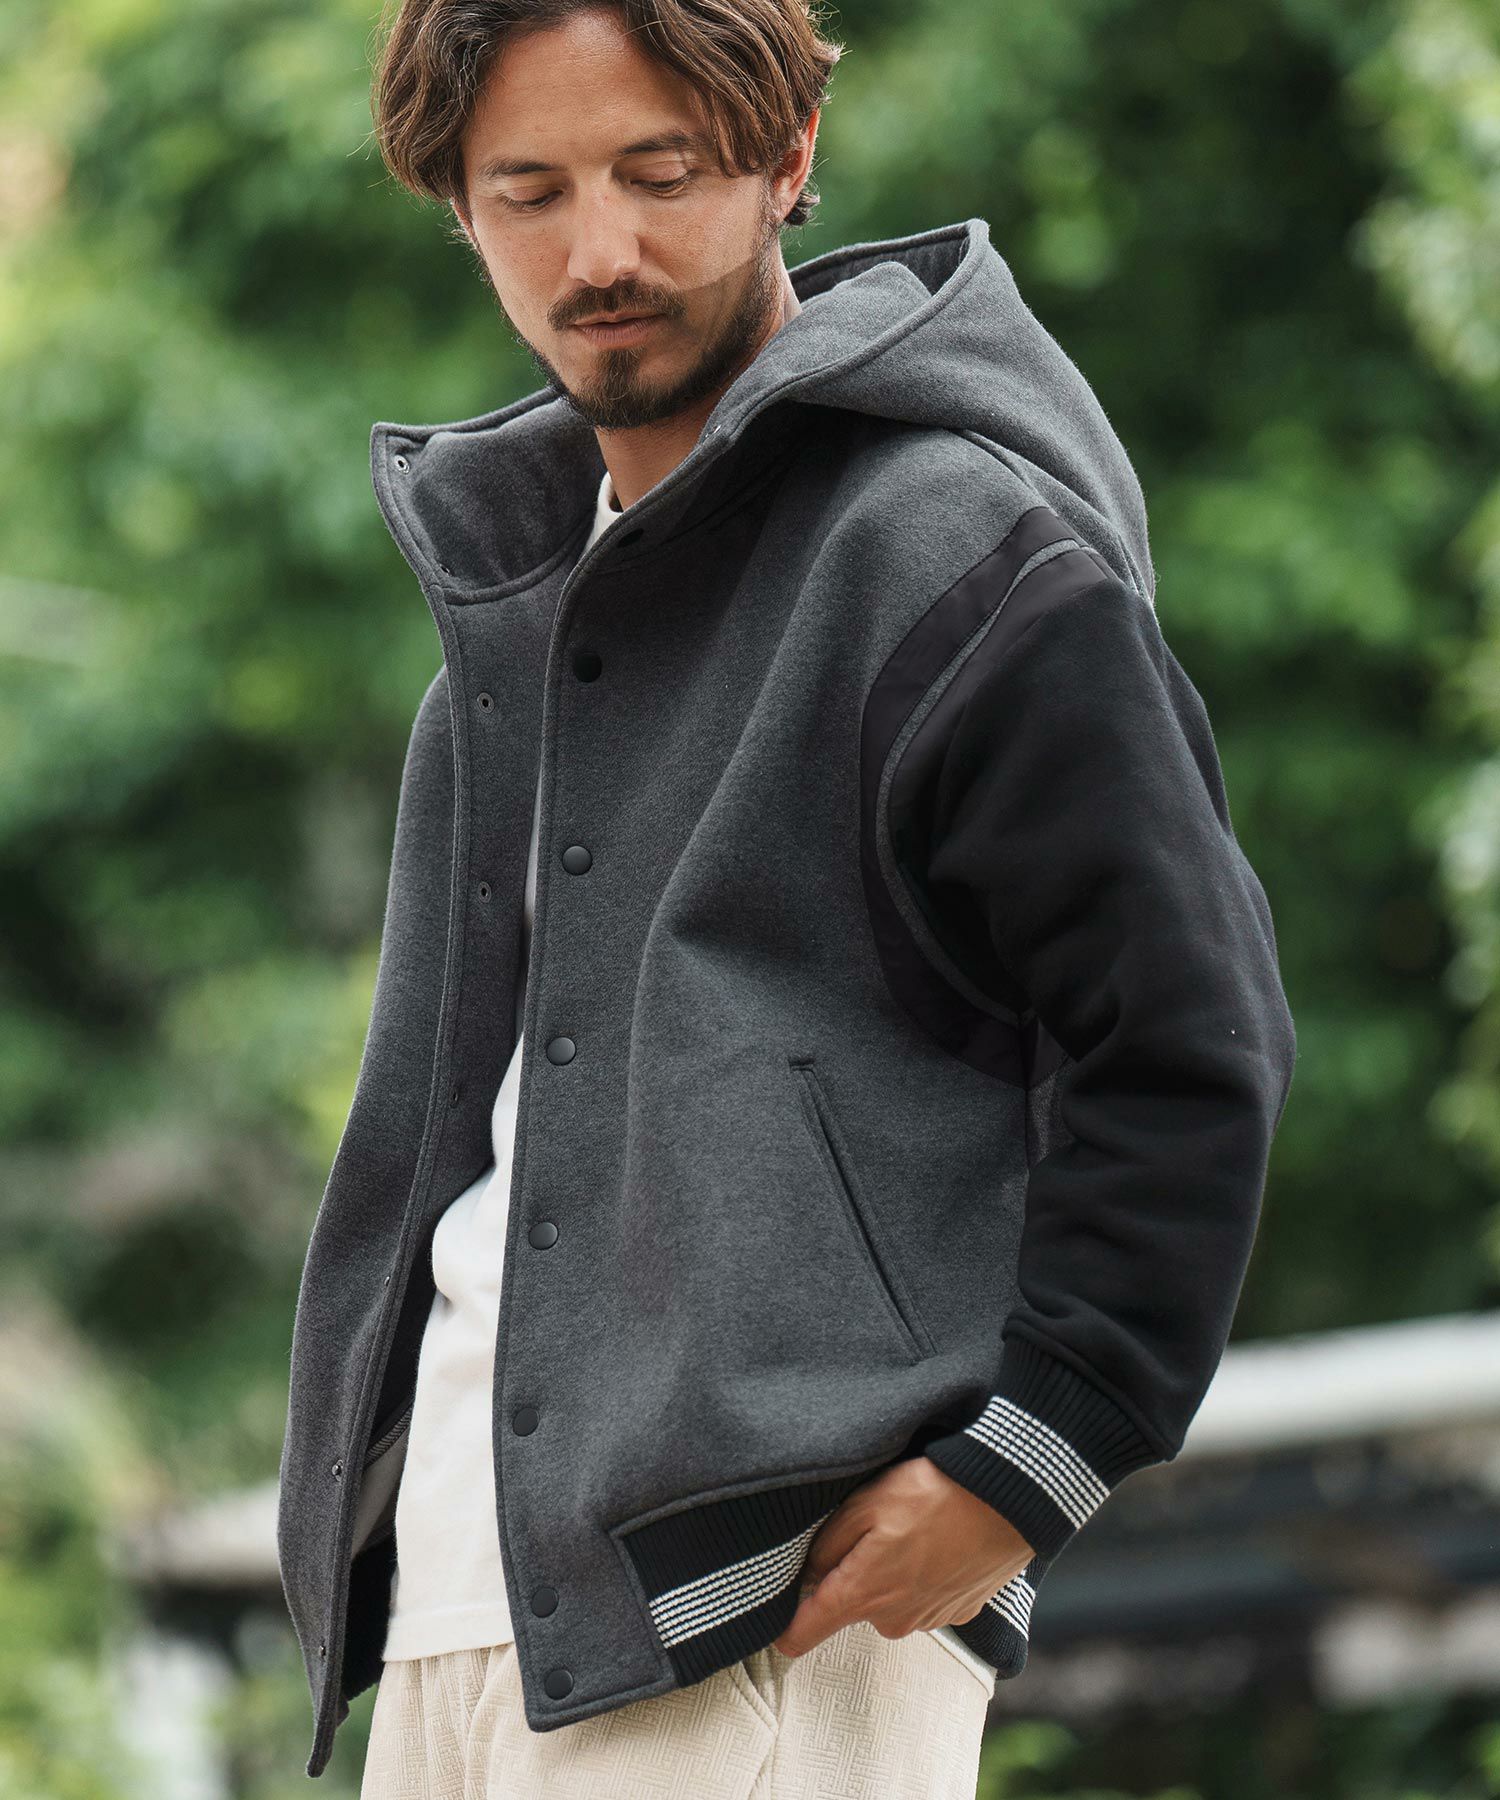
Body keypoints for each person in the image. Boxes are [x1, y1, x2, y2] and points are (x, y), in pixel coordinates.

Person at [273, 1, 1300, 1794]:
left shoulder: (946, 550)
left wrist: (1034, 1460)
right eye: (530, 191)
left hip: (770, 1613)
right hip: (470, 1608)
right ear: (460, 211)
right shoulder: (508, 651)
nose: (599, 249)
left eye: (658, 172)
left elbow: (1188, 1033)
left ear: (785, 157)